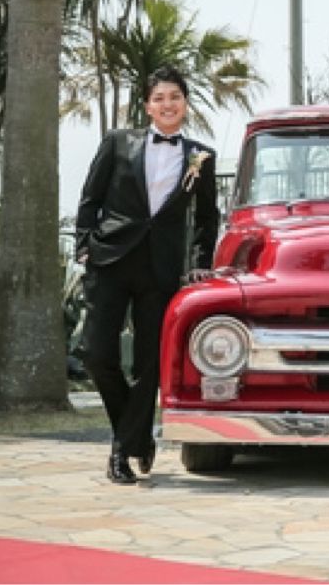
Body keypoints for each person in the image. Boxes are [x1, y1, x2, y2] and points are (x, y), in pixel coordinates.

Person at [75, 66, 219, 485]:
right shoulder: (118, 143)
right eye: (159, 98)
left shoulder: (201, 156)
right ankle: (137, 434)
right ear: (147, 106)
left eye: (175, 97)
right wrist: (84, 244)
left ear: (185, 103)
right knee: (96, 354)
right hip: (110, 259)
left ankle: (122, 450)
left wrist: (200, 262)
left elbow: (207, 218)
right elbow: (90, 197)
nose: (167, 104)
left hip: (161, 269)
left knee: (148, 365)